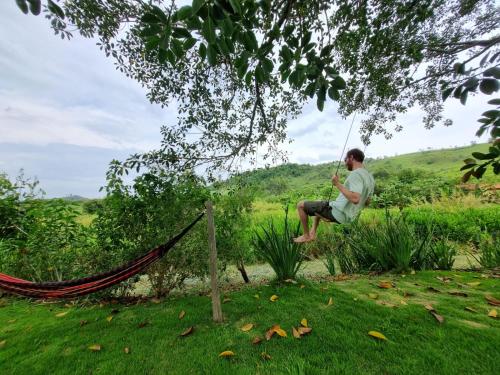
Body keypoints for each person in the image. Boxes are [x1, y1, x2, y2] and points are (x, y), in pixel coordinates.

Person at [294, 148, 375, 243]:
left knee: (300, 205)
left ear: (351, 157)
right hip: (349, 217)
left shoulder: (355, 174)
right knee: (319, 202)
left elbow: (355, 199)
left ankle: (306, 236)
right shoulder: (370, 178)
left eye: (345, 160)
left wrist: (337, 183)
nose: (345, 163)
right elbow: (367, 202)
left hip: (337, 213)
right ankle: (313, 232)